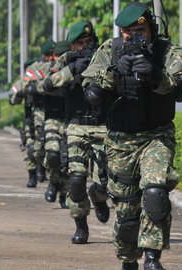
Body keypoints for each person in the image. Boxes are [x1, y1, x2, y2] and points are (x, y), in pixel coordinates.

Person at [81, 3, 182, 270]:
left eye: (140, 30)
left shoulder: (168, 51)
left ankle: (153, 259)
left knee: (155, 193)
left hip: (157, 135)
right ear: (121, 31)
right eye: (128, 32)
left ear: (151, 27)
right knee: (127, 212)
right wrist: (115, 73)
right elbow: (91, 92)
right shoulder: (109, 50)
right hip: (120, 140)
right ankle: (129, 261)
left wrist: (155, 75)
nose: (135, 37)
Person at [40, 21, 111, 244]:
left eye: (89, 42)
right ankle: (81, 224)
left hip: (103, 126)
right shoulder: (66, 60)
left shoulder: (106, 56)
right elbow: (47, 85)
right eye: (80, 43)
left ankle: (98, 198)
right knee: (77, 179)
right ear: (73, 45)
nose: (85, 46)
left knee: (106, 180)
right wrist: (72, 71)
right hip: (77, 126)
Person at [31, 40, 70, 208]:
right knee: (52, 155)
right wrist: (56, 80)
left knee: (68, 159)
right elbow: (38, 86)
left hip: (72, 120)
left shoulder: (77, 67)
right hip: (53, 118)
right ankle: (53, 181)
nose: (61, 58)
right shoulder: (47, 70)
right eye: (58, 56)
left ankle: (64, 193)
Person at [8, 59, 38, 187]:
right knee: (31, 148)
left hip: (48, 119)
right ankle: (32, 176)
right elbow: (12, 98)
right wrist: (20, 94)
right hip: (31, 120)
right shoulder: (21, 83)